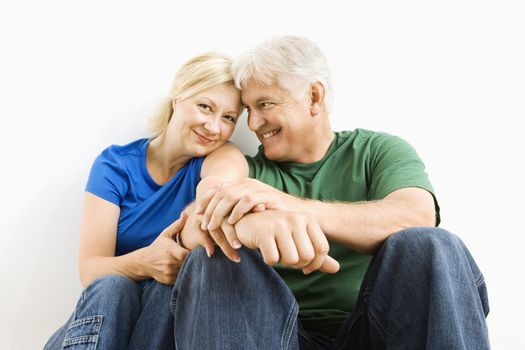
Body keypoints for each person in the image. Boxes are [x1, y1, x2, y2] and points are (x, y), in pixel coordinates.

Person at [172, 36, 490, 349]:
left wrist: (285, 205)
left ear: (314, 96)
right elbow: (197, 218)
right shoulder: (242, 166)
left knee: (429, 244)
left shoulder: (378, 151)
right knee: (211, 258)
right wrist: (246, 225)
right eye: (248, 110)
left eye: (265, 104)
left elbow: (417, 216)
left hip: (376, 329)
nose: (253, 123)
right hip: (277, 334)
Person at [44, 52, 248, 349]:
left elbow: (224, 179)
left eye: (228, 118)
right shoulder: (115, 165)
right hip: (98, 326)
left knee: (169, 290)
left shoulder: (219, 157)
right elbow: (90, 270)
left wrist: (211, 199)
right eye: (205, 107)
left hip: (158, 327)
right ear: (177, 99)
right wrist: (146, 262)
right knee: (115, 287)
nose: (214, 128)